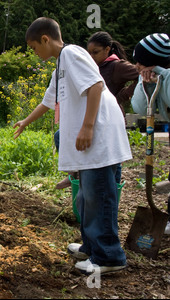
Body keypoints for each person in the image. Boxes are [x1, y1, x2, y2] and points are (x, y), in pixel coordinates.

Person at [14, 17, 132, 274]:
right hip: (90, 143)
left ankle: (109, 258)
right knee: (87, 198)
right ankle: (92, 247)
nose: (35, 54)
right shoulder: (61, 67)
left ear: (45, 39)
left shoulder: (71, 53)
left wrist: (88, 126)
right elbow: (47, 102)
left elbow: (96, 85)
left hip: (98, 138)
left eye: (34, 48)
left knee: (99, 197)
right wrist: (25, 121)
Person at [55, 31, 139, 189]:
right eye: (89, 53)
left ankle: (112, 187)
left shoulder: (116, 66)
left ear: (107, 50)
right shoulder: (90, 65)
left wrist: (123, 95)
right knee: (61, 136)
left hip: (108, 116)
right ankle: (76, 173)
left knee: (110, 157)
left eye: (96, 52)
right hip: (93, 114)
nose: (92, 56)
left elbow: (140, 75)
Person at [130, 33, 170, 234]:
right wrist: (145, 82)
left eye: (141, 62)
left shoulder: (166, 76)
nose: (136, 66)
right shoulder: (152, 77)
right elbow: (139, 106)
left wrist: (163, 76)